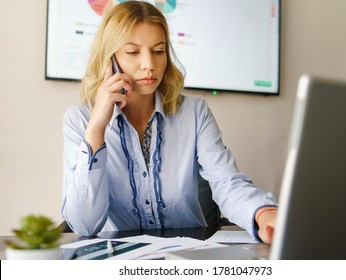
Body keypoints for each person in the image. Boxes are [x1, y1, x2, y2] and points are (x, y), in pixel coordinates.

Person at [62, 1, 278, 244]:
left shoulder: (195, 113)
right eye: (133, 52)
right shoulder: (79, 120)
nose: (149, 64)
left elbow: (226, 182)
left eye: (158, 51)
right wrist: (97, 127)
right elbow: (84, 224)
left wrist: (264, 213)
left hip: (188, 259)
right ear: (109, 59)